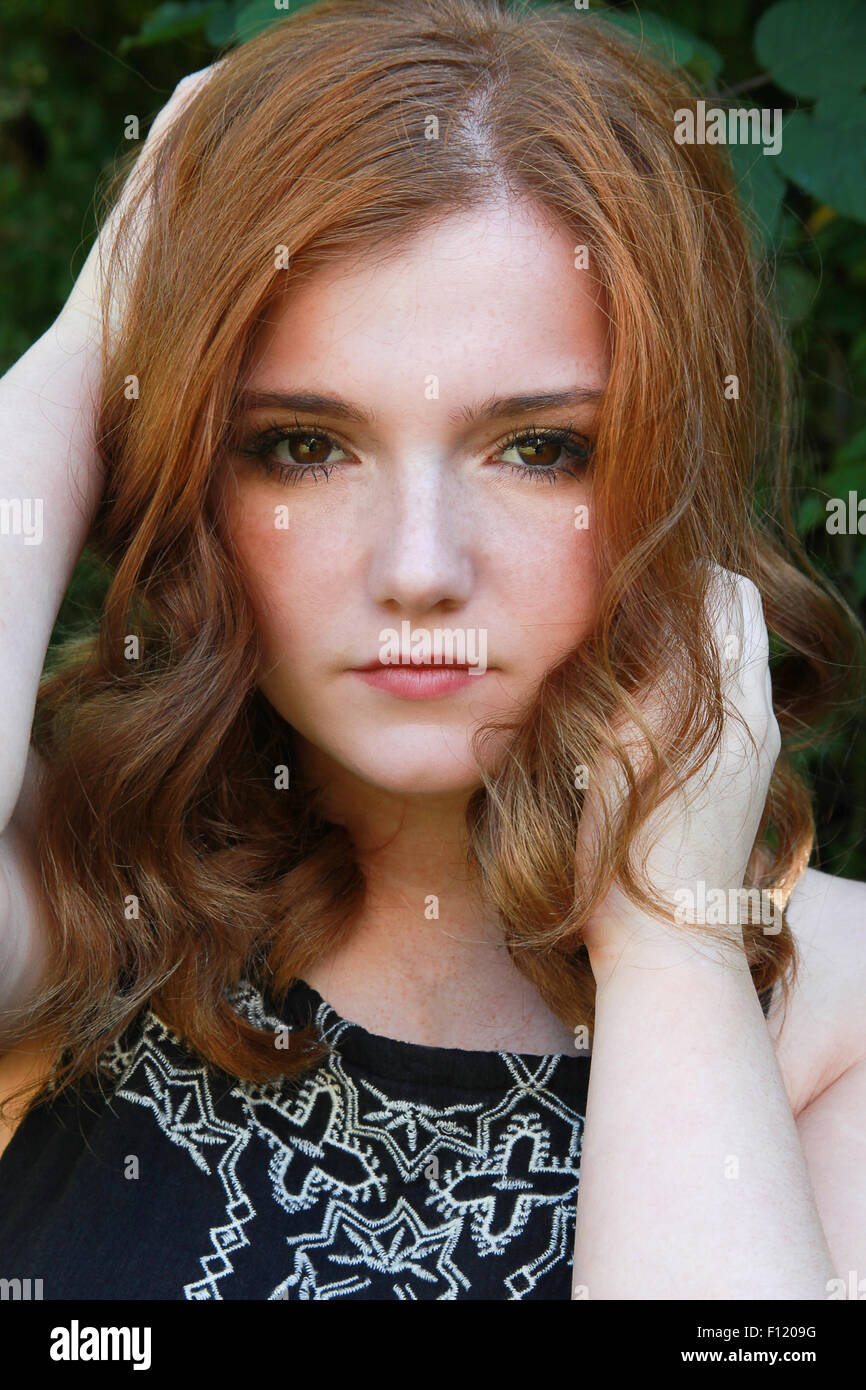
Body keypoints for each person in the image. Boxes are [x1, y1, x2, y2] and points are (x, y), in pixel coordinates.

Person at [0, 0, 864, 1302]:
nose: (417, 566)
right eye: (301, 441)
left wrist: (674, 944)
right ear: (191, 478)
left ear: (666, 473)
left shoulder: (837, 1014)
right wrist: (101, 328)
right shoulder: (85, 903)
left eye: (537, 447)